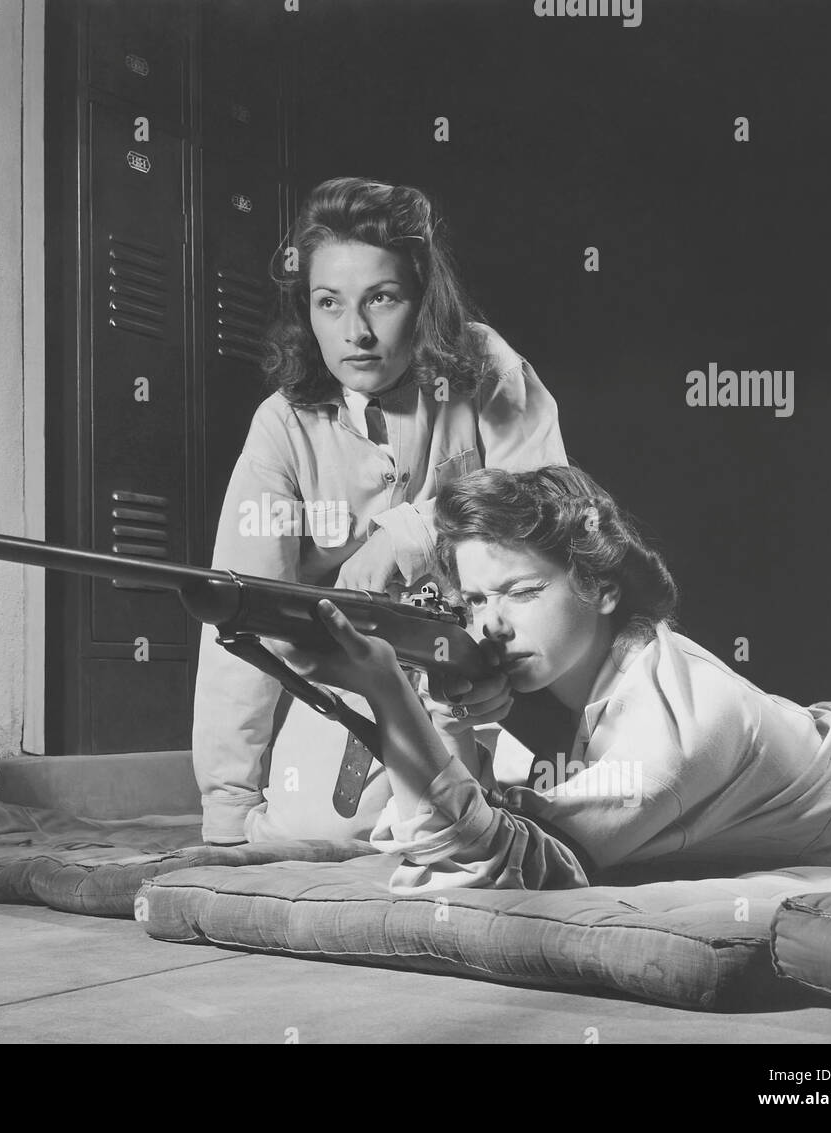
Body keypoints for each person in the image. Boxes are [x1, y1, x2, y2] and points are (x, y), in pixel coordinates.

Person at [276, 464, 831, 891]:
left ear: (598, 588)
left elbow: (484, 864)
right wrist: (448, 708)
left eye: (523, 590)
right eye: (478, 600)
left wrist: (389, 691)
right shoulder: (593, 674)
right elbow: (457, 819)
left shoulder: (674, 731)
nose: (492, 626)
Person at [194, 177, 567, 845]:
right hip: (360, 670)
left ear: (422, 299)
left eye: (382, 299)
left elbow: (552, 506)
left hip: (508, 658)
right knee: (321, 827)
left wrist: (408, 535)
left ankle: (517, 781)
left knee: (608, 797)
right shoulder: (280, 428)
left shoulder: (485, 367)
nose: (356, 332)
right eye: (329, 303)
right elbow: (240, 618)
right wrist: (225, 816)